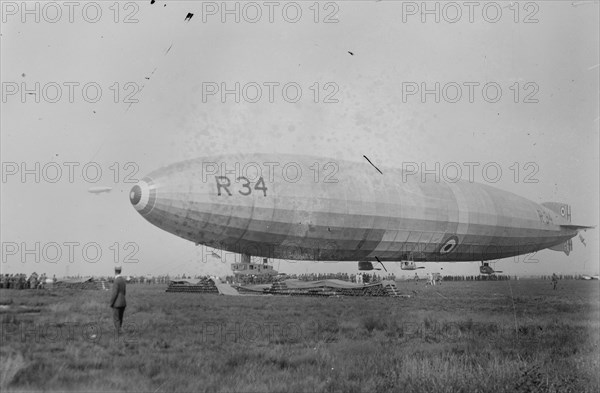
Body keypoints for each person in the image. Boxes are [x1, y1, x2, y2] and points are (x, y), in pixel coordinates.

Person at [110, 266, 127, 334]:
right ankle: (119, 330)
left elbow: (115, 293)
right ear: (120, 271)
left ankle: (118, 332)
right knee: (120, 318)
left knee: (116, 319)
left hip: (117, 303)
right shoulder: (123, 280)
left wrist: (111, 302)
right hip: (123, 302)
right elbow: (124, 292)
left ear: (115, 271)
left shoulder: (116, 281)